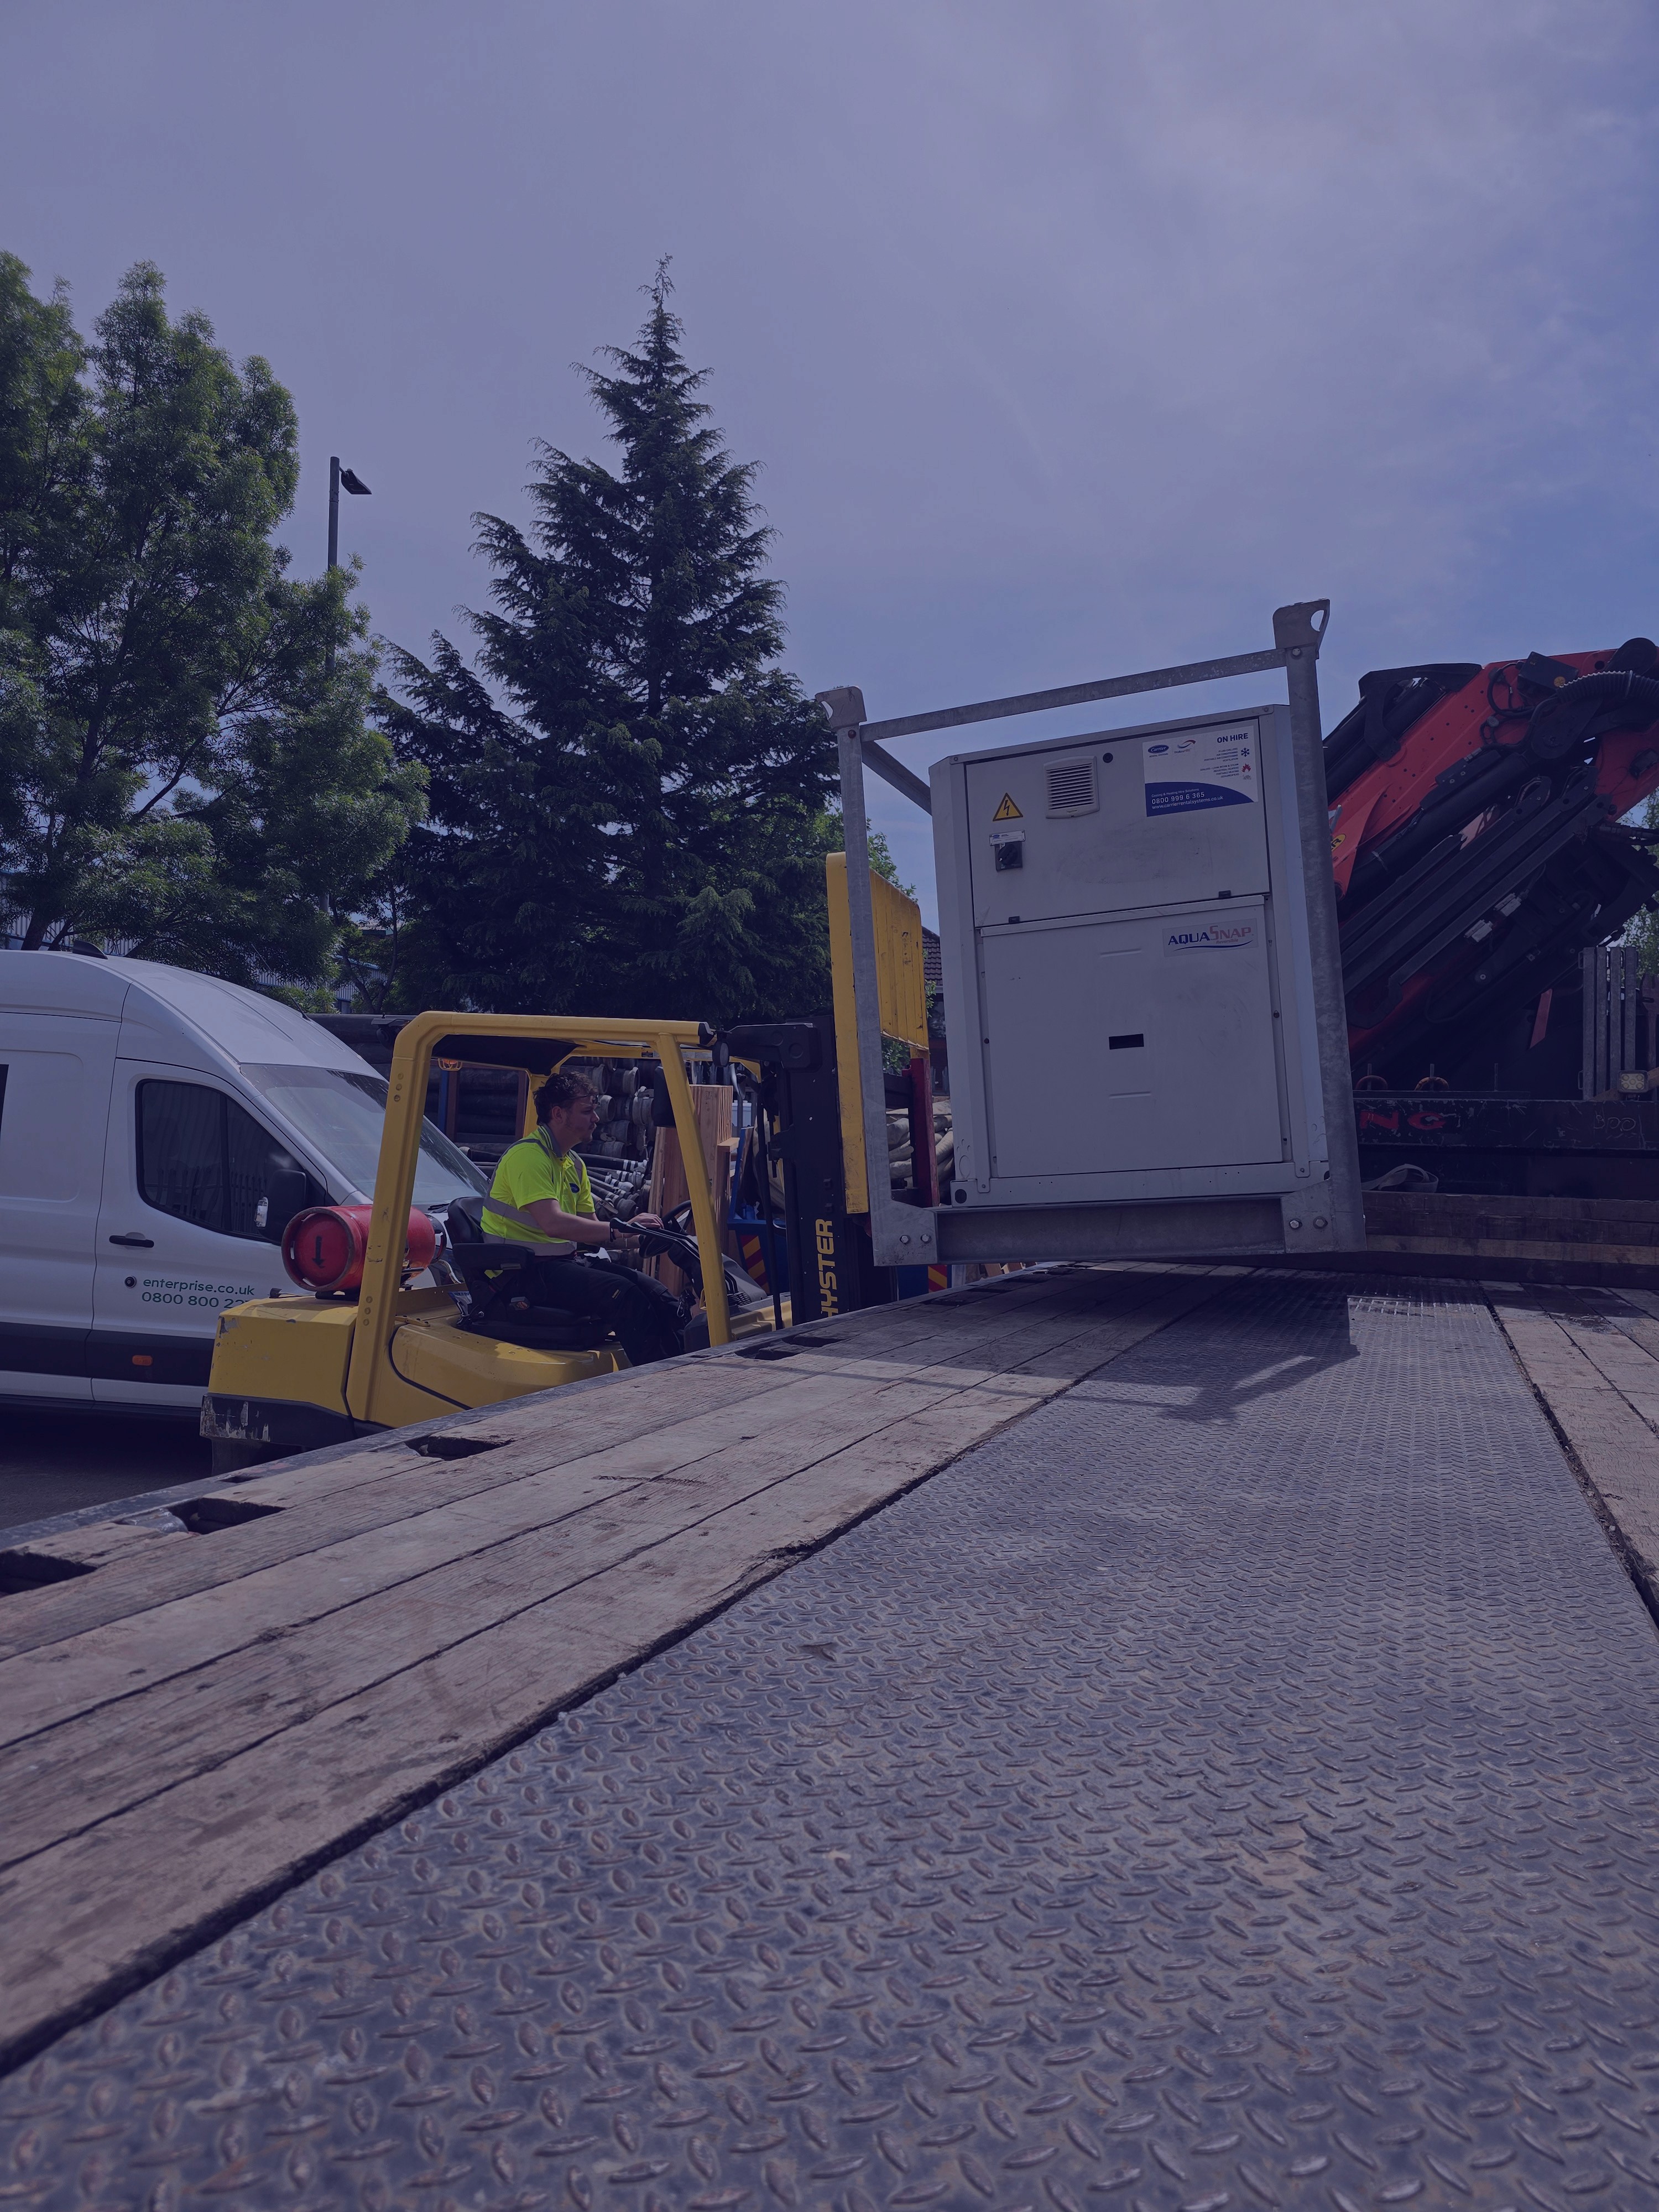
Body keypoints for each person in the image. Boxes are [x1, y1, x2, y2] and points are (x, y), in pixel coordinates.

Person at [482, 1070, 684, 1365]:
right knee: (622, 1295)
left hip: (557, 1267)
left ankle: (684, 1370)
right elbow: (554, 1225)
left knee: (658, 1294)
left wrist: (640, 1236)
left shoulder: (573, 1165)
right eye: (587, 1111)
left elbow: (591, 1231)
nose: (597, 1119)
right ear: (558, 1114)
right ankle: (655, 1381)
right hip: (518, 1275)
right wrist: (619, 1230)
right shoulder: (528, 1158)